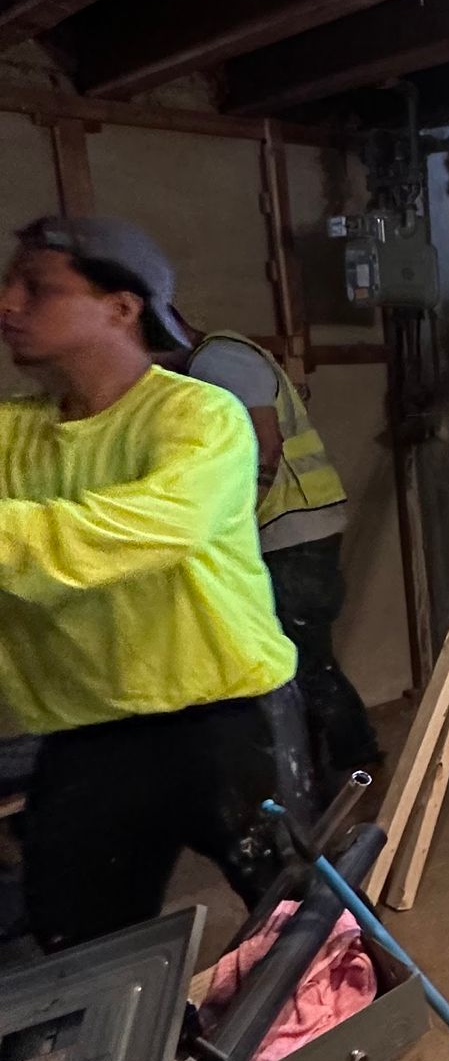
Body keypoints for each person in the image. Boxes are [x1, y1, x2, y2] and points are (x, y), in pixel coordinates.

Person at [0, 215, 312, 951]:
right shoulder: (13, 433)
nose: (8, 304)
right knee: (81, 940)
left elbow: (141, 532)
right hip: (85, 731)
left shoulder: (198, 416)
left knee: (301, 917)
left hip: (225, 716)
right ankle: (141, 1058)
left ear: (121, 307)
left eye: (37, 288)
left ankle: (337, 1038)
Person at [182, 313, 382, 794]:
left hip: (293, 531)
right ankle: (328, 778)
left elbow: (265, 449)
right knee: (301, 665)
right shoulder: (221, 355)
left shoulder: (217, 361)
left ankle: (362, 777)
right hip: (300, 527)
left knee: (309, 665)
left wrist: (232, 527)